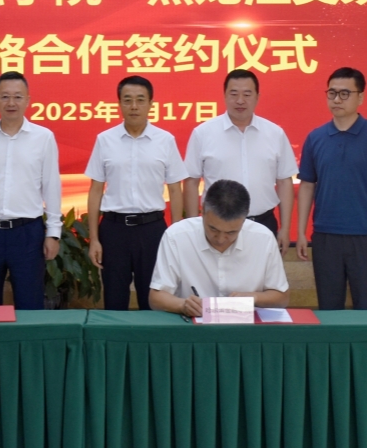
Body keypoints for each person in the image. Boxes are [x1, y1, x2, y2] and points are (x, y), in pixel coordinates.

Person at [295, 67, 367, 311]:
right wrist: (300, 232)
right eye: (332, 93)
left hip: (366, 237)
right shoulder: (316, 138)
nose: (337, 99)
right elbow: (307, 186)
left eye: (344, 93)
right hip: (325, 236)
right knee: (329, 309)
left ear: (360, 97)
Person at [85, 75, 187, 310]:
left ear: (151, 104)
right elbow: (95, 191)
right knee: (114, 300)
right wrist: (94, 239)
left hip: (152, 230)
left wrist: (176, 235)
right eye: (127, 100)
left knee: (153, 300)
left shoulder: (165, 140)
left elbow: (175, 189)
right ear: (119, 103)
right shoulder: (105, 140)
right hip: (114, 231)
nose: (134, 106)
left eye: (140, 100)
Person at [0, 71, 62, 310]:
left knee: (30, 304)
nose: (11, 103)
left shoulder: (43, 137)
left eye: (18, 97)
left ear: (28, 100)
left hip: (27, 233)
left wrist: (53, 233)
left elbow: (51, 187)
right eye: (5, 96)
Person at [183, 69, 298, 254]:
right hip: (217, 228)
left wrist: (285, 228)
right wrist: (193, 226)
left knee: (262, 274)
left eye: (247, 94)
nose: (240, 100)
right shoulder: (203, 133)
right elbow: (191, 182)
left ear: (257, 97)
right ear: (224, 95)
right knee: (216, 273)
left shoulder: (274, 133)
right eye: (234, 94)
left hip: (263, 224)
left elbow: (284, 182)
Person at [149, 179, 289, 316]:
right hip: (194, 324)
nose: (221, 240)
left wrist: (253, 297)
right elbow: (156, 298)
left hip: (245, 325)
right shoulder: (176, 236)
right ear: (203, 210)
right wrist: (183, 305)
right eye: (213, 229)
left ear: (245, 218)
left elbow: (282, 297)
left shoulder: (263, 238)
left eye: (231, 232)